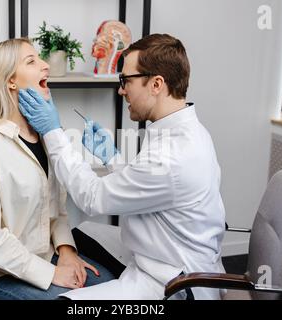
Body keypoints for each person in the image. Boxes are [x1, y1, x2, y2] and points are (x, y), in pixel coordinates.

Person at [18, 34, 226, 300]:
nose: (121, 90)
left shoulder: (173, 156)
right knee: (83, 233)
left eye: (126, 80)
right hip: (167, 256)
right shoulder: (187, 132)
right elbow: (148, 187)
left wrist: (53, 132)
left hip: (173, 285)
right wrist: (113, 159)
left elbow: (92, 198)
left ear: (156, 84)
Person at [0, 38, 115, 300]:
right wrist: (51, 275)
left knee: (116, 293)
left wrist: (66, 251)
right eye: (31, 61)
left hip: (45, 254)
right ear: (10, 81)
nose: (45, 66)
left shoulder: (46, 137)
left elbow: (57, 211)